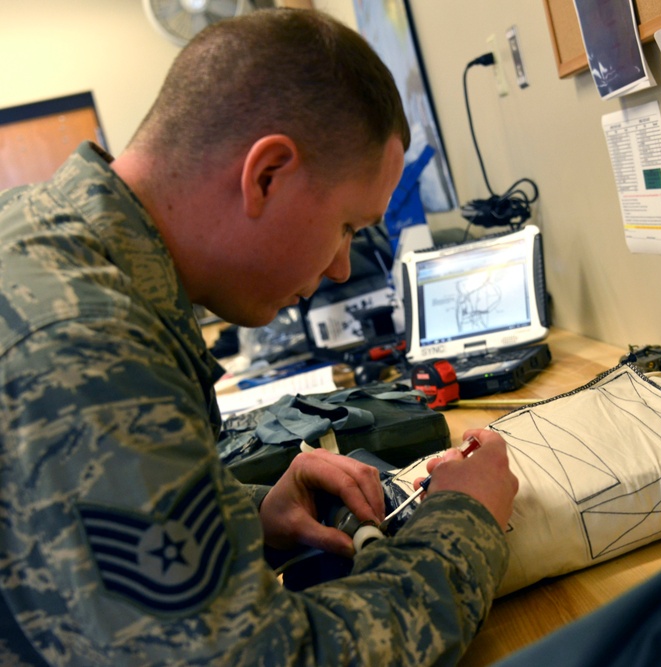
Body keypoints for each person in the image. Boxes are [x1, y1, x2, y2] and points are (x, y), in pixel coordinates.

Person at [0, 8, 518, 666]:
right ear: (267, 174)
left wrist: (245, 516)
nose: (341, 267)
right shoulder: (86, 343)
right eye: (348, 227)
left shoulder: (48, 241)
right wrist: (465, 520)